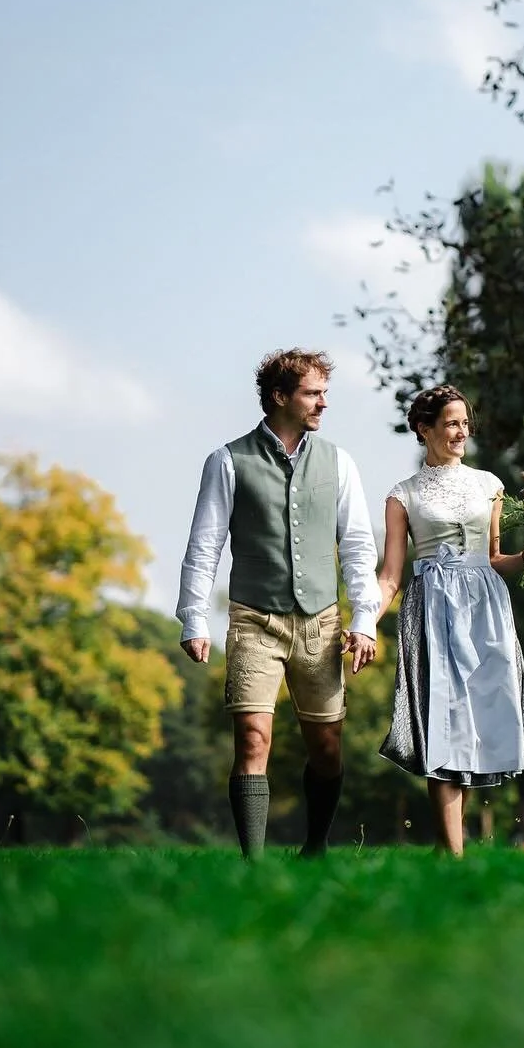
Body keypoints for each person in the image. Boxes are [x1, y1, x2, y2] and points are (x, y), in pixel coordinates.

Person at [178, 348, 379, 858]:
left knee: (327, 749)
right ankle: (254, 864)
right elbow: (205, 544)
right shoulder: (227, 460)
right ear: (280, 397)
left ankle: (315, 847)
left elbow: (357, 546)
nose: (323, 404)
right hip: (254, 620)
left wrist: (366, 620)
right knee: (252, 739)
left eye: (324, 394)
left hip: (322, 623)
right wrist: (193, 619)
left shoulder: (340, 462)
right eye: (314, 394)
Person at [377, 384, 524, 856]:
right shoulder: (403, 495)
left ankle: (447, 843)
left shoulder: (489, 484)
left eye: (464, 422)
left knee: (475, 720)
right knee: (443, 720)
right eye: (451, 423)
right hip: (433, 607)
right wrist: (364, 621)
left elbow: (495, 558)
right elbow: (390, 574)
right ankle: (453, 851)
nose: (461, 431)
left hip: (486, 608)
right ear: (424, 429)